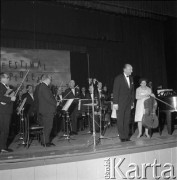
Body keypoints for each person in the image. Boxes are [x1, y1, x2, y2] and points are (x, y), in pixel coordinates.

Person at [113, 64, 134, 142]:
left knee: (127, 120)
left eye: (132, 69)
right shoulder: (118, 78)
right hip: (120, 103)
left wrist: (132, 102)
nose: (132, 71)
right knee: (120, 120)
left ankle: (126, 136)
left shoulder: (131, 78)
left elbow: (132, 91)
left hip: (128, 103)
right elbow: (115, 91)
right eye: (130, 69)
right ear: (125, 69)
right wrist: (115, 103)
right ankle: (122, 137)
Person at [38, 74, 57, 147]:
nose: (51, 81)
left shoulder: (43, 86)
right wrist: (56, 103)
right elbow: (49, 98)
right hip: (47, 110)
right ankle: (46, 142)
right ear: (47, 79)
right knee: (48, 126)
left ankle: (45, 141)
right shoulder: (44, 87)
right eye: (50, 79)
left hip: (46, 110)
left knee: (46, 126)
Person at [0, 73, 16, 153]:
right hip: (3, 112)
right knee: (4, 130)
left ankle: (2, 146)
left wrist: (12, 95)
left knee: (5, 130)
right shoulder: (1, 86)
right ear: (2, 78)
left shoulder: (6, 86)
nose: (9, 79)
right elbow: (1, 97)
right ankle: (3, 147)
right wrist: (11, 99)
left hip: (6, 111)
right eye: (7, 77)